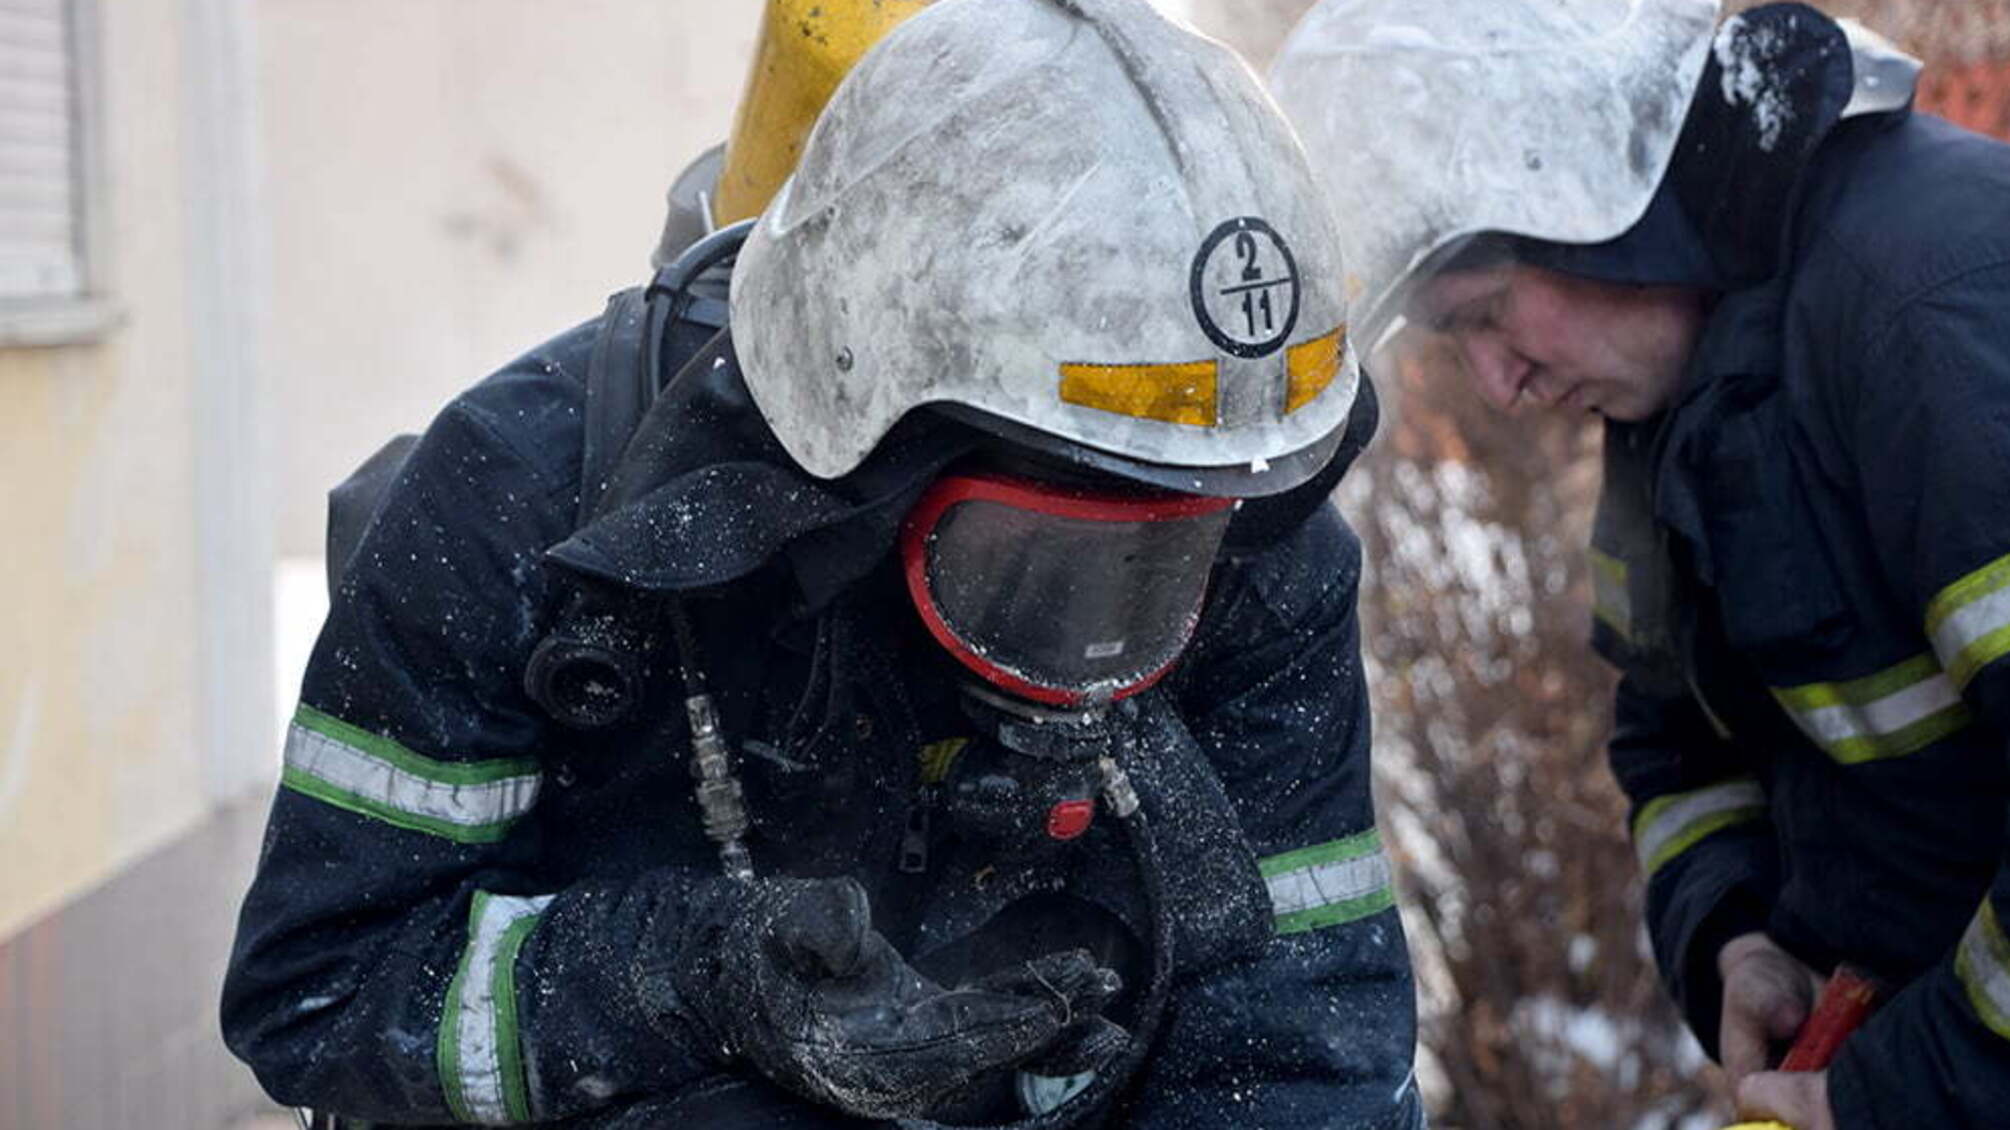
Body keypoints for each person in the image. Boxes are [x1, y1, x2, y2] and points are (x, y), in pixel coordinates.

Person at [222, 1, 1423, 1127]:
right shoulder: (515, 502)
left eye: (1163, 560)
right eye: (1046, 556)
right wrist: (686, 974)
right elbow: (323, 988)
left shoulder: (1254, 547)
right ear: (862, 438)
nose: (1095, 641)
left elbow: (1308, 1046)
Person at [1272, 2, 2010, 1127]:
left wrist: (1908, 1089)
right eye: (1455, 342)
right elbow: (1673, 739)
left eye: (1489, 314)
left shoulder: (1929, 312)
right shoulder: (1682, 394)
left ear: (1598, 200)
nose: (1501, 385)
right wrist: (1738, 938)